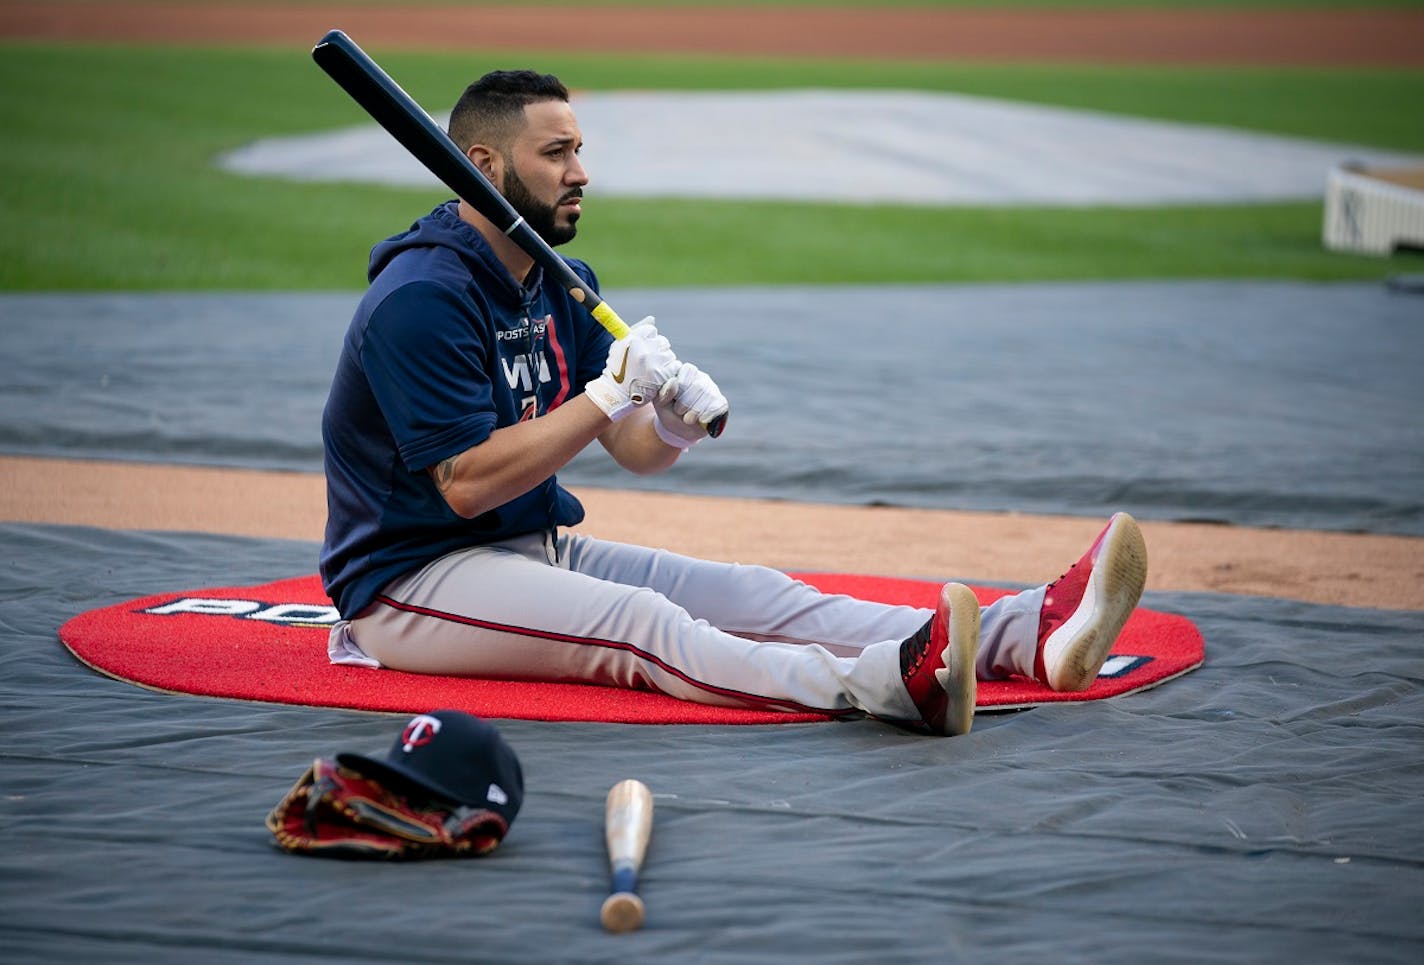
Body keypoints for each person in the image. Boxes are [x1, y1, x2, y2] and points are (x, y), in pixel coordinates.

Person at [319, 69, 1149, 737]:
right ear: (485, 165)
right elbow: (466, 484)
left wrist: (667, 423)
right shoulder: (422, 297)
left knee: (755, 594)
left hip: (526, 548)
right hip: (410, 583)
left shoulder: (553, 278)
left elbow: (631, 447)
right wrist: (610, 394)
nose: (581, 173)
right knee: (641, 625)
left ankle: (1024, 633)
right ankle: (887, 687)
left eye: (579, 149)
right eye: (557, 153)